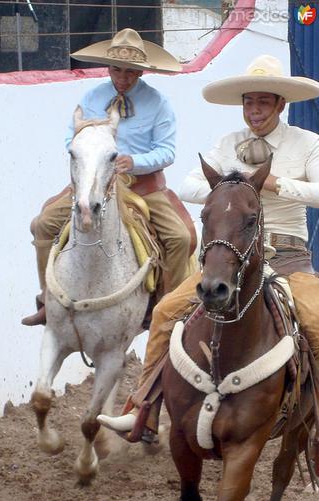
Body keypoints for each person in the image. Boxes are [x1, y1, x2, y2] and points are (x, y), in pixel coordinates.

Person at [99, 54, 319, 480]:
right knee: (165, 312)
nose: (254, 110)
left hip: (289, 257)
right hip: (231, 258)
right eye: (249, 102)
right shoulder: (227, 142)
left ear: (280, 105)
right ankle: (142, 406)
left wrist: (276, 184)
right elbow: (188, 184)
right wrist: (234, 184)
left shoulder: (305, 143)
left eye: (263, 103)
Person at [21, 28, 196, 327]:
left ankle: (171, 310)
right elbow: (71, 139)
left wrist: (135, 161)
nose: (122, 77)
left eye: (130, 71)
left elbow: (167, 151)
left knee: (180, 238)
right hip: (94, 183)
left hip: (143, 188)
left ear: (142, 70)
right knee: (42, 225)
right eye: (116, 69)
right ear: (108, 67)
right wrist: (92, 155)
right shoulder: (91, 97)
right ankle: (48, 299)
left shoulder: (158, 103)